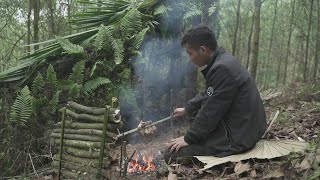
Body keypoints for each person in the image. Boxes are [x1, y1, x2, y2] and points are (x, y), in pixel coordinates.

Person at [164, 25, 267, 164]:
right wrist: (188, 108)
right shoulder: (223, 60)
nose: (190, 59)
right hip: (247, 127)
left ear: (202, 50)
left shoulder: (221, 68)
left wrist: (188, 138)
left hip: (239, 136)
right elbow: (210, 92)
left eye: (190, 53)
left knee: (172, 154)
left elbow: (210, 112)